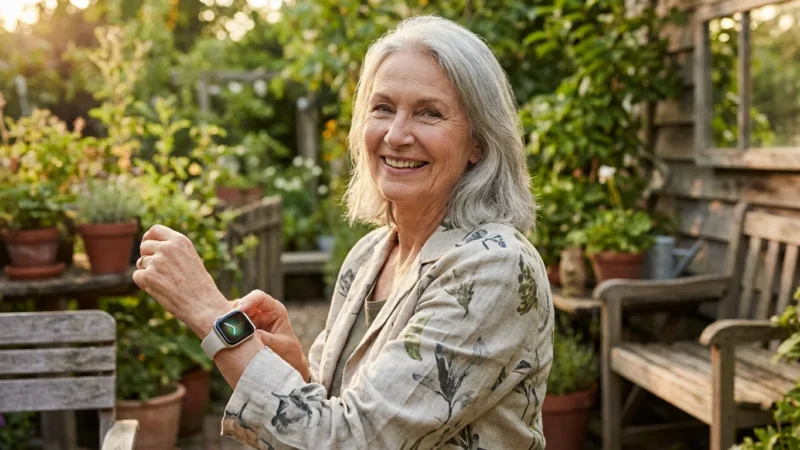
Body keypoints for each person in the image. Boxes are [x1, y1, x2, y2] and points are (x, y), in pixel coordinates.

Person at [134, 15, 553, 450]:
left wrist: (212, 314)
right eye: (383, 107)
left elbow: (353, 440)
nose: (396, 134)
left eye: (429, 113)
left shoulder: (495, 266)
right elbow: (346, 412)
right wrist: (300, 374)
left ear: (479, 143)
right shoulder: (369, 255)